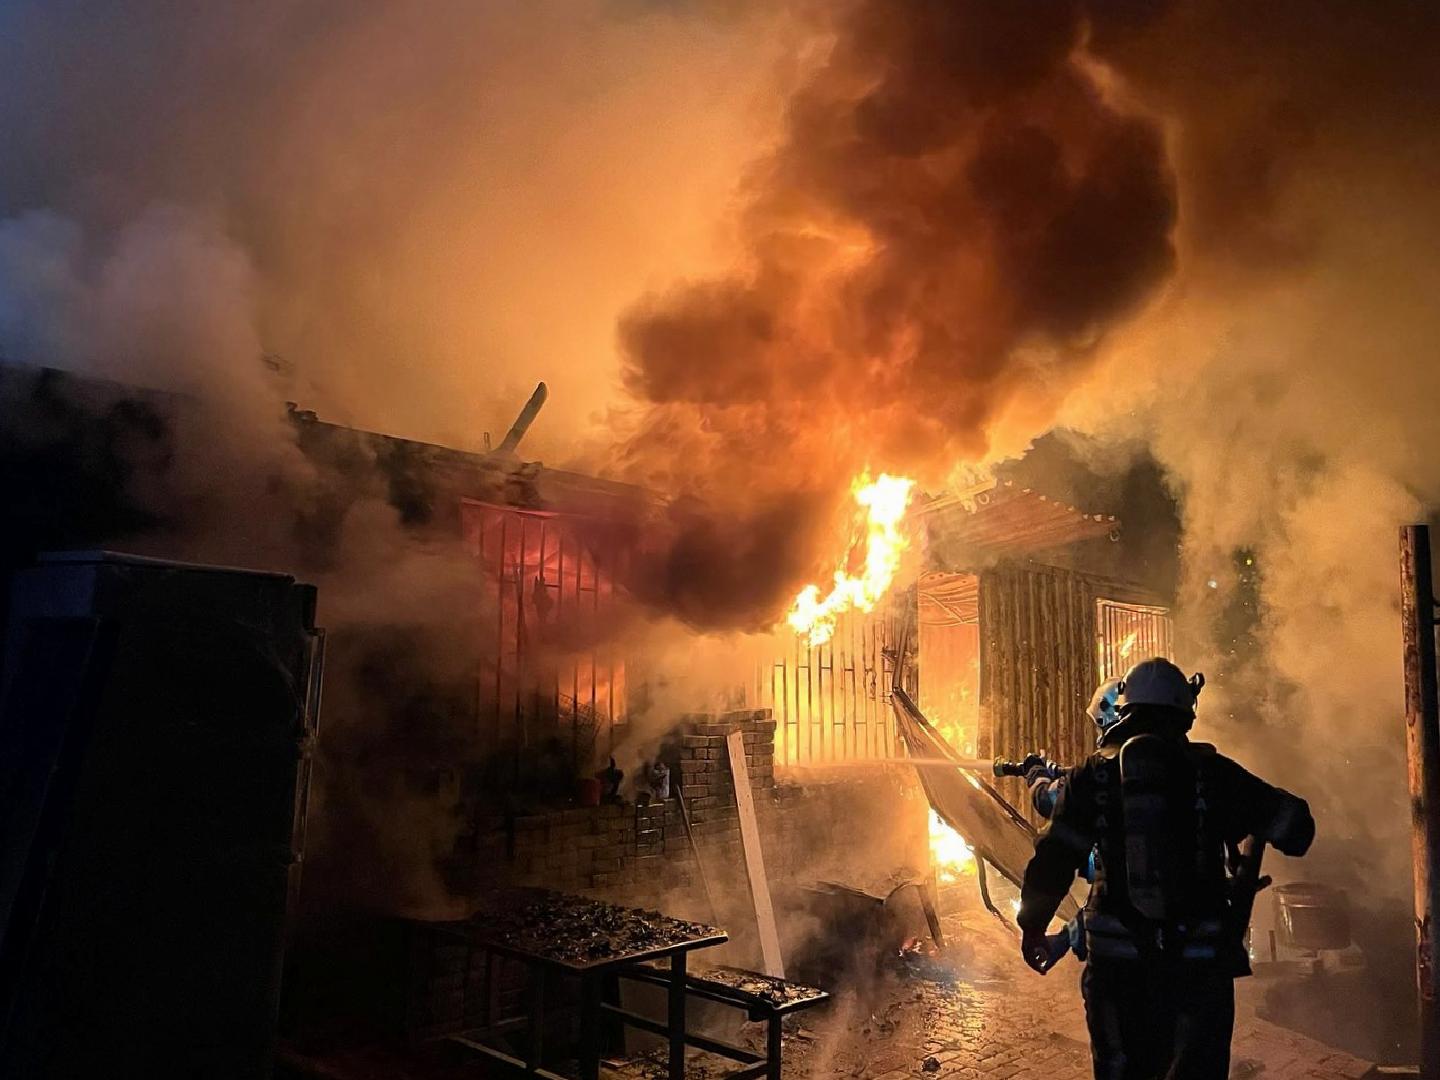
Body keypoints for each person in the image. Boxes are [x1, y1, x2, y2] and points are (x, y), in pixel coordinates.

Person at [1016, 657, 1314, 1080]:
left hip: (1117, 970)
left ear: (1124, 711)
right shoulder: (1214, 774)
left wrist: (1032, 926)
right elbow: (1297, 831)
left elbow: (1054, 857)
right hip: (1198, 970)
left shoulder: (1091, 777)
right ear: (1185, 713)